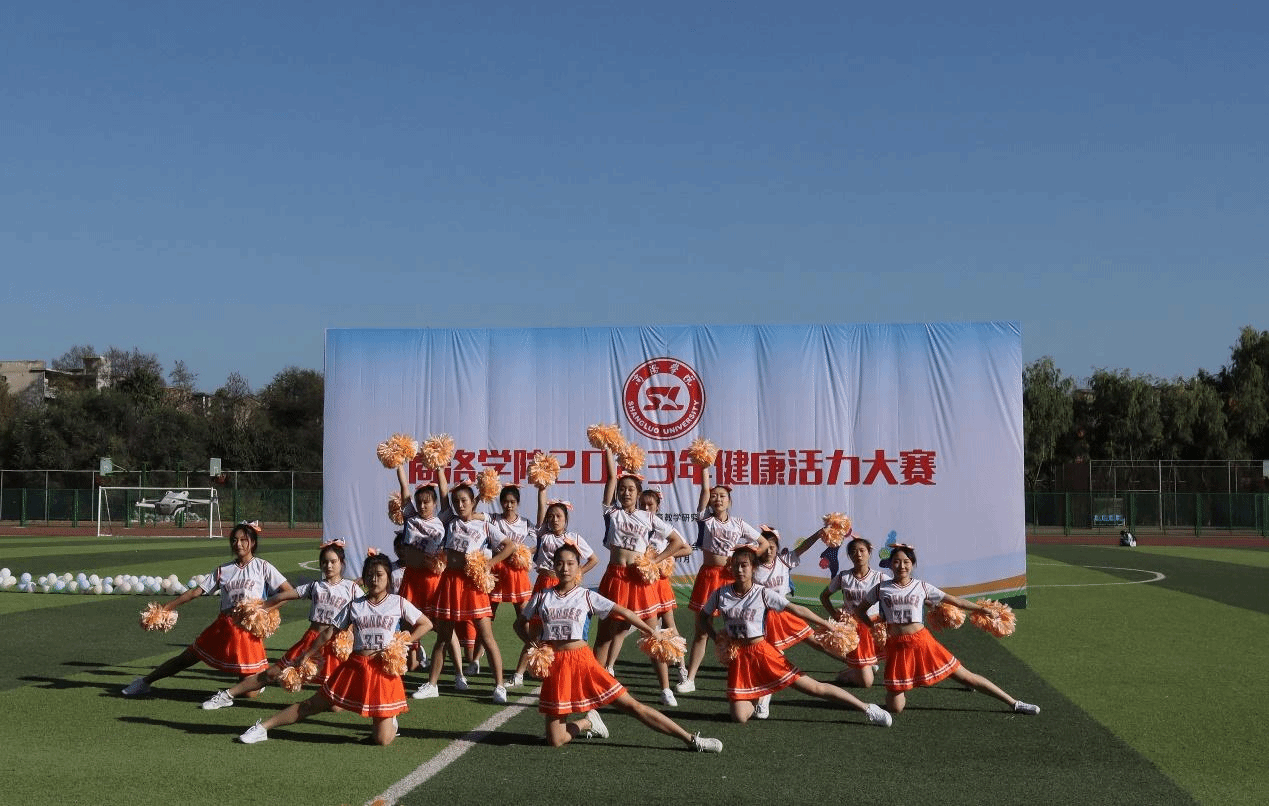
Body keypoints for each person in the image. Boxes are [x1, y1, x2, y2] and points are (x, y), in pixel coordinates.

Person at [513, 543, 723, 753]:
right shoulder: (542, 596)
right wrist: (535, 647)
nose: (565, 568)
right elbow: (519, 624)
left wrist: (653, 631)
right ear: (554, 566)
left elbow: (625, 612)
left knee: (632, 706)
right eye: (560, 563)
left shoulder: (586, 595)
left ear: (578, 567)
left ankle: (691, 739)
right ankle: (588, 722)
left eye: (570, 563)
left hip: (583, 661)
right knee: (555, 740)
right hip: (556, 665)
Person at [238, 552, 433, 745]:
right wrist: (307, 654)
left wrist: (401, 643)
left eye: (379, 574)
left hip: (383, 670)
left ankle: (389, 720)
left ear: (388, 577)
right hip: (355, 666)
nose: (374, 579)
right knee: (312, 704)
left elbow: (426, 624)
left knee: (382, 740)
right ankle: (262, 728)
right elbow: (328, 633)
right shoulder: (355, 605)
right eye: (369, 575)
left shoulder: (398, 603)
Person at [697, 547, 892, 726]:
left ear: (753, 568)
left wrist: (826, 624)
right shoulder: (720, 594)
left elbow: (797, 609)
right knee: (738, 717)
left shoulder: (762, 593)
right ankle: (759, 697)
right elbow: (703, 618)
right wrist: (718, 639)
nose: (740, 570)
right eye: (736, 565)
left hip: (762, 653)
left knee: (814, 688)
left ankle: (867, 708)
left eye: (744, 565)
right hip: (738, 657)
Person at [854, 543, 1040, 716]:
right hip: (897, 647)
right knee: (895, 708)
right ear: (890, 564)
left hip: (922, 642)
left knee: (966, 677)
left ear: (912, 564)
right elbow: (860, 611)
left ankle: (1014, 703)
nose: (901, 566)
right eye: (896, 562)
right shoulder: (881, 588)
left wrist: (982, 609)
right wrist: (874, 627)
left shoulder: (921, 586)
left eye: (906, 562)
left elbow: (956, 601)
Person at [122, 521, 293, 697]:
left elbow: (288, 592)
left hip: (247, 631)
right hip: (224, 626)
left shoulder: (263, 567)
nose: (238, 544)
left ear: (253, 542)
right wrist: (167, 607)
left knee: (249, 694)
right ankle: (144, 682)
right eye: (234, 540)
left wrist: (264, 609)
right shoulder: (224, 570)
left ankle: (255, 683)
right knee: (186, 658)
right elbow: (195, 592)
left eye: (244, 540)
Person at [202, 540, 360, 709]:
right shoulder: (315, 586)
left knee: (335, 706)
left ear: (342, 563)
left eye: (333, 562)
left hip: (336, 645)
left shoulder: (351, 589)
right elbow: (282, 596)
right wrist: (260, 608)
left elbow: (363, 614)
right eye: (325, 562)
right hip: (311, 640)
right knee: (272, 673)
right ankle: (227, 695)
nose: (328, 566)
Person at [591, 446, 684, 699]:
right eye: (622, 489)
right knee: (604, 636)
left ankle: (665, 688)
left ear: (638, 493)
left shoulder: (649, 517)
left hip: (640, 581)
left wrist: (655, 560)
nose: (626, 493)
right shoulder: (612, 513)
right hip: (615, 577)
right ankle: (595, 686)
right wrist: (608, 448)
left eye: (631, 489)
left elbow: (678, 542)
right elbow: (611, 476)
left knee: (653, 634)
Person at [414, 482, 515, 703]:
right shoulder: (450, 521)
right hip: (450, 582)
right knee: (443, 637)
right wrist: (440, 469)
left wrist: (490, 564)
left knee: (486, 637)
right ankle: (432, 685)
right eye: (456, 501)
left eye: (464, 501)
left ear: (473, 502)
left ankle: (499, 687)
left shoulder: (485, 526)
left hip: (473, 586)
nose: (460, 505)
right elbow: (443, 494)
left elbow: (509, 545)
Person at [677, 464, 770, 694]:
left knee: (742, 628)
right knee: (701, 629)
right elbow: (703, 491)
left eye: (722, 496)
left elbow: (763, 544)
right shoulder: (705, 519)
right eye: (714, 496)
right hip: (709, 576)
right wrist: (704, 467)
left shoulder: (738, 523)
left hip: (731, 578)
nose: (718, 499)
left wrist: (745, 559)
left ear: (729, 501)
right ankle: (690, 678)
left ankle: (750, 674)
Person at [508, 485, 598, 687]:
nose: (554, 519)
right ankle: (519, 674)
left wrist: (578, 572)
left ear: (566, 519)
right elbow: (541, 507)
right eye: (551, 516)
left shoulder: (573, 538)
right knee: (535, 631)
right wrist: (542, 489)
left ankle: (564, 668)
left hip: (563, 586)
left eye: (558, 516)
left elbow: (593, 559)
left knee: (560, 630)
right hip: (543, 583)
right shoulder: (543, 534)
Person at [392, 463, 468, 695]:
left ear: (435, 504)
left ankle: (459, 674)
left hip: (434, 581)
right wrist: (398, 463)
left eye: (427, 502)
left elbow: (445, 493)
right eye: (420, 502)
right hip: (413, 581)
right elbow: (404, 487)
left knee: (445, 630)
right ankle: (395, 671)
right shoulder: (410, 517)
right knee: (406, 626)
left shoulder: (442, 519)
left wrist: (439, 468)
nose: (423, 505)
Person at [638, 487, 693, 698]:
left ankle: (682, 669)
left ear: (658, 506)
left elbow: (686, 548)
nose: (646, 508)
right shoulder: (637, 523)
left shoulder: (661, 526)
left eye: (650, 505)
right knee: (649, 629)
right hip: (643, 583)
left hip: (660, 583)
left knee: (670, 627)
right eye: (642, 504)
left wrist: (663, 558)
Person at [818, 535, 889, 688]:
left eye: (862, 550)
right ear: (850, 556)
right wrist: (834, 615)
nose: (858, 554)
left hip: (873, 626)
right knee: (866, 683)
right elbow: (824, 596)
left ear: (869, 552)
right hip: (853, 629)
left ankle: (866, 666)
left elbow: (897, 592)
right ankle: (846, 675)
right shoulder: (844, 577)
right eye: (854, 551)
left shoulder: (880, 577)